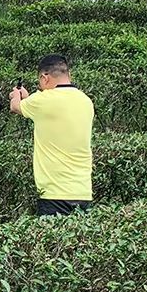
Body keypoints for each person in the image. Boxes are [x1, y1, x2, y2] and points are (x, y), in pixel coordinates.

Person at [9, 54, 94, 215]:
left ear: (44, 77)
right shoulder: (85, 101)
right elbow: (48, 112)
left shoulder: (43, 100)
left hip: (54, 193)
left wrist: (16, 95)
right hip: (83, 190)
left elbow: (15, 107)